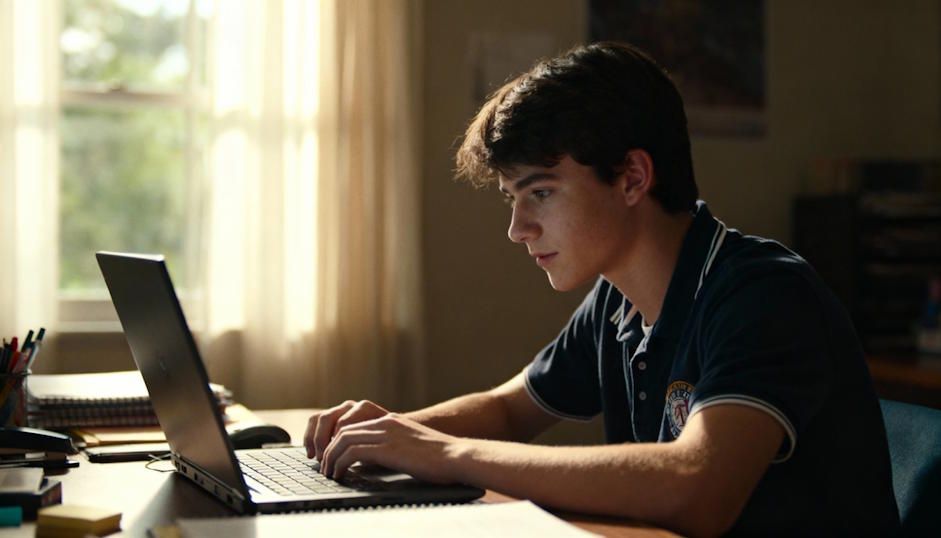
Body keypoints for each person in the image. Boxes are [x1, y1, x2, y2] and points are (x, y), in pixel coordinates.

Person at [303, 42, 900, 536]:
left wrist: (442, 455)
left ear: (633, 178)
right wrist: (388, 435)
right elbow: (511, 411)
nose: (518, 229)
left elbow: (696, 488)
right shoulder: (618, 300)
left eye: (540, 192)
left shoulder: (764, 295)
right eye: (513, 199)